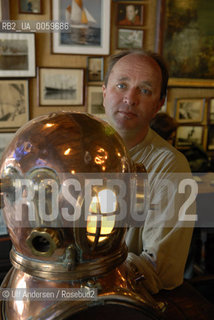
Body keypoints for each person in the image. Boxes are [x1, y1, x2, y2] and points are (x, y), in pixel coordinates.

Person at [102, 50, 196, 294]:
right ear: (104, 91)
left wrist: (87, 276)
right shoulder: (74, 146)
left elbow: (160, 269)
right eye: (121, 85)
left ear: (159, 104)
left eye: (144, 90)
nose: (130, 98)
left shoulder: (171, 167)